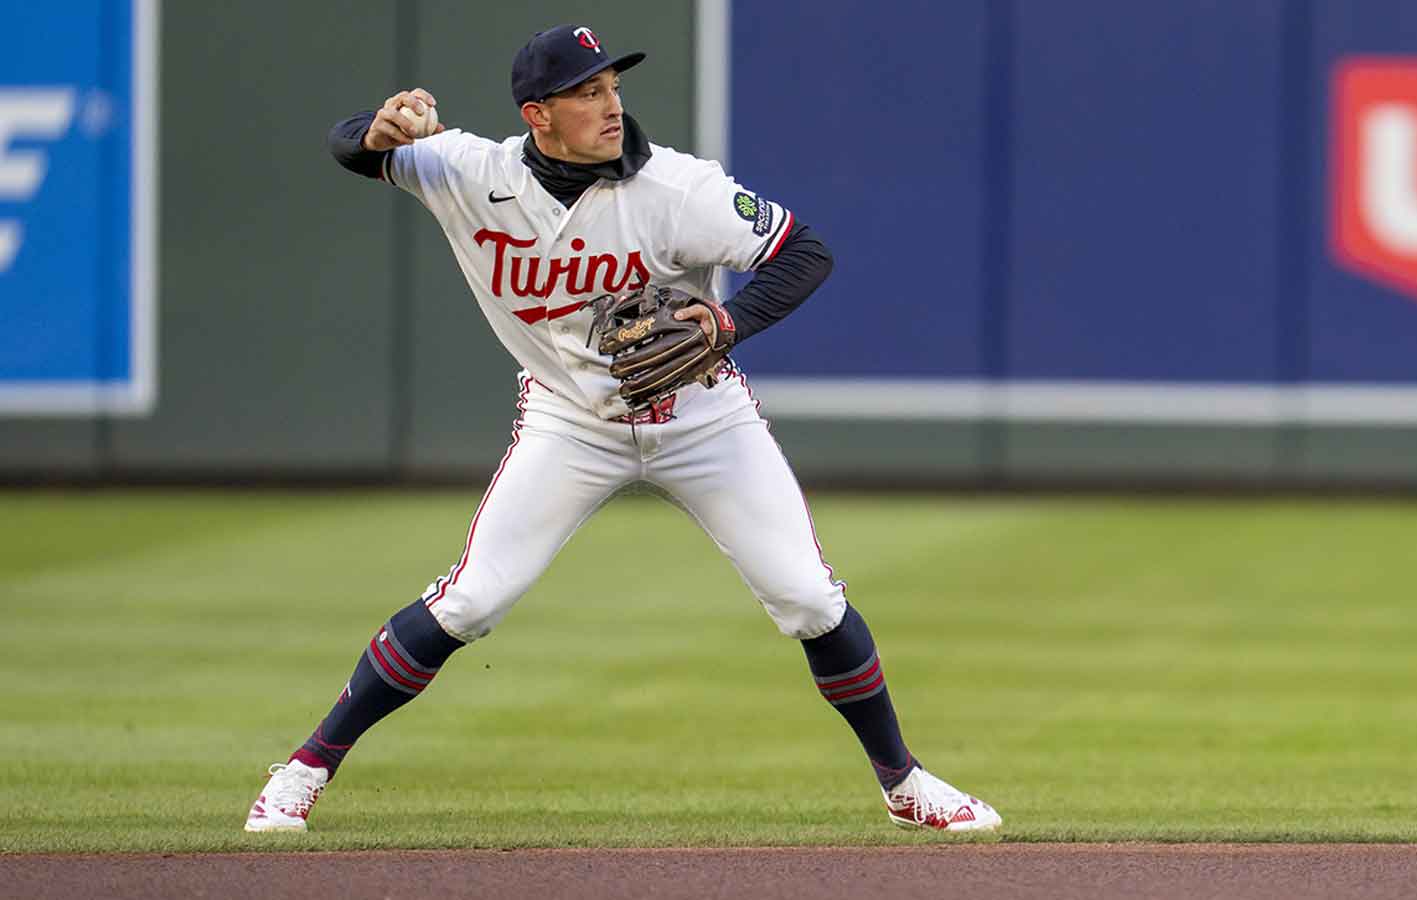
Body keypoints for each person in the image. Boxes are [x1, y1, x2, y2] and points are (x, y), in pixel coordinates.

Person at [245, 24, 1000, 835]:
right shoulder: (470, 172)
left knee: (808, 596)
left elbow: (803, 252)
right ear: (538, 114)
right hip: (571, 421)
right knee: (471, 600)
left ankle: (904, 783)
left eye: (613, 87)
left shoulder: (680, 188)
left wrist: (726, 323)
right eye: (588, 92)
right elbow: (354, 148)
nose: (611, 104)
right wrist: (374, 129)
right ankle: (304, 768)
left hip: (703, 417)